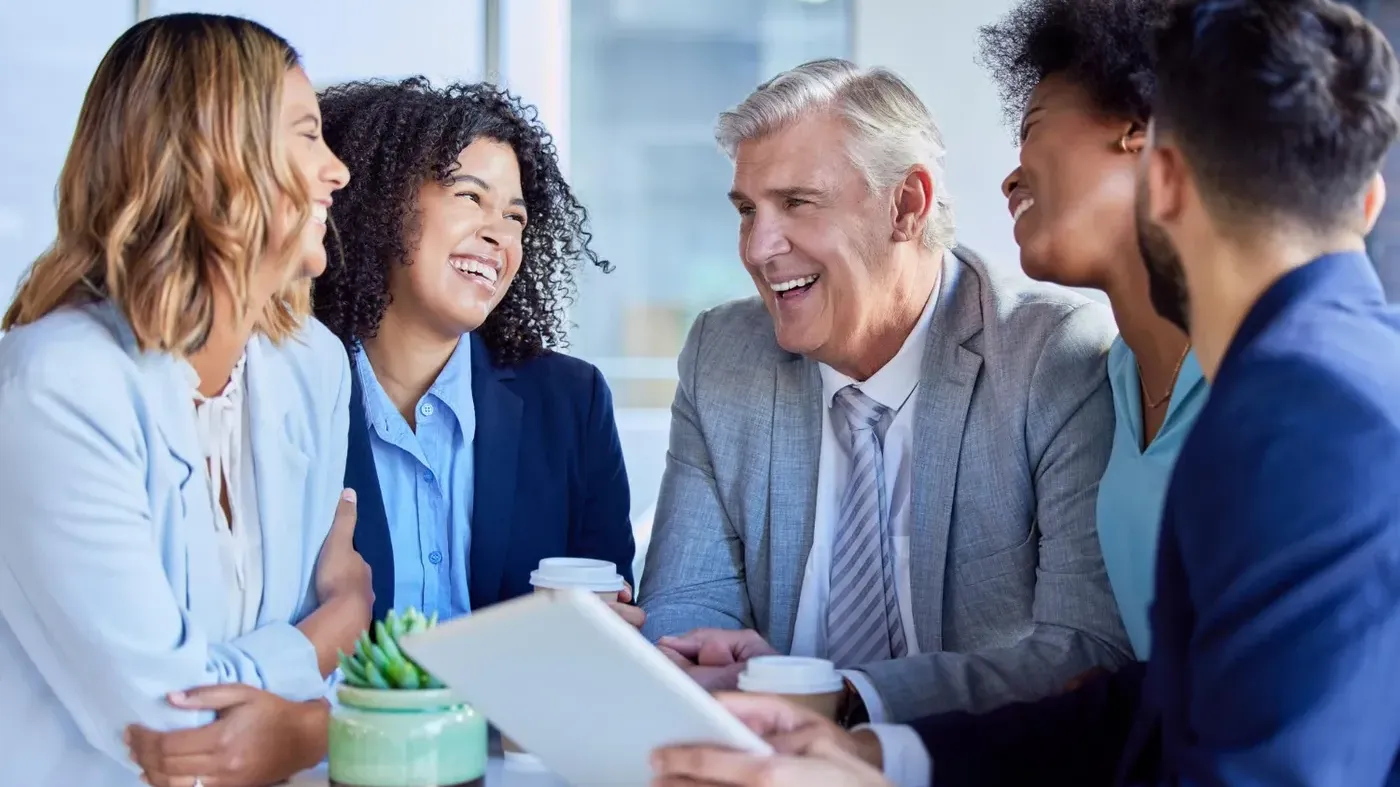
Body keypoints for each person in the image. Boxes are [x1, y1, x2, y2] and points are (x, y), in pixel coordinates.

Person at [651, 1, 1400, 784]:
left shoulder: (1309, 414)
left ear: (1164, 179)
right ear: (1367, 200)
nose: (1013, 174)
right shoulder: (1299, 383)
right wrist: (878, 755)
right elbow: (1158, 710)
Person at [639, 57, 1133, 726]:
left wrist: (837, 694)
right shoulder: (722, 355)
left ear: (906, 206)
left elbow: (1083, 650)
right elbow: (680, 619)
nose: (758, 247)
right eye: (747, 210)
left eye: (795, 203)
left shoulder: (1051, 355)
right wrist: (719, 677)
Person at [0, 13, 369, 787]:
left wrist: (290, 722)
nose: (337, 171)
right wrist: (330, 634)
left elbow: (241, 704)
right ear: (217, 157)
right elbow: (173, 722)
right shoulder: (58, 385)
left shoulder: (312, 367)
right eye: (308, 135)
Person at [311, 78, 639, 626]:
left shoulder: (571, 403)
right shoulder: (292, 388)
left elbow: (609, 613)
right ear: (382, 201)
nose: (500, 237)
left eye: (515, 217)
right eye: (470, 196)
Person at [981, 0, 1205, 661]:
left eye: (1034, 127)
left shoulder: (1258, 375)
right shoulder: (1111, 376)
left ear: (1137, 128)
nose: (1011, 174)